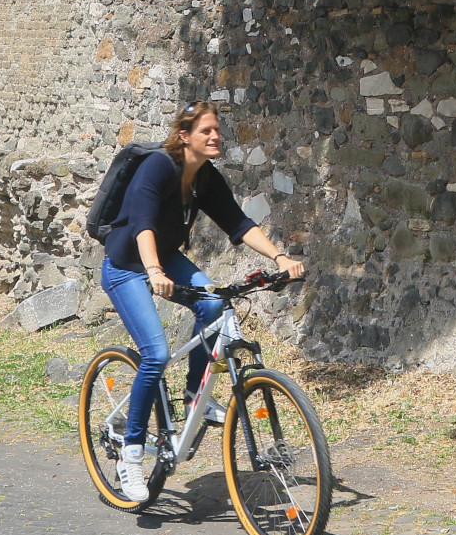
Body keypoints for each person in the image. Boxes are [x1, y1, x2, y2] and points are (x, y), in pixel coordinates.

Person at [100, 102, 305, 501]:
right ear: (184, 136)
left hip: (164, 258)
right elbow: (142, 224)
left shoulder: (205, 177)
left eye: (217, 131)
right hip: (127, 264)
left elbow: (239, 223)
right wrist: (155, 271)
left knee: (212, 304)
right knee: (155, 354)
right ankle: (131, 454)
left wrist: (279, 257)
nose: (215, 137)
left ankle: (196, 394)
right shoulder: (157, 167)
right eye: (206, 131)